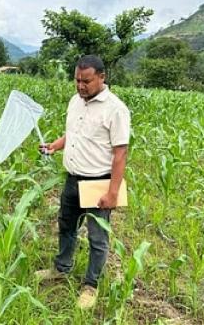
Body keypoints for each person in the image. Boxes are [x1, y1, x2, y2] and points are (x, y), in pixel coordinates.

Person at [35, 55, 130, 309]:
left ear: (102, 77)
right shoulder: (75, 101)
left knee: (97, 238)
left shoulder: (115, 109)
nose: (80, 86)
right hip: (72, 178)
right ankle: (61, 268)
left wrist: (113, 192)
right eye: (77, 80)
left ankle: (90, 286)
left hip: (98, 182)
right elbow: (74, 133)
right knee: (66, 226)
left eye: (86, 81)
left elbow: (120, 153)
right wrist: (55, 145)